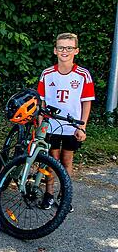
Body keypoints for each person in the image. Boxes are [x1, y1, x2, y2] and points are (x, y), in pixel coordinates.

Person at [37, 33, 93, 211]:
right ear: (55, 50)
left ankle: (65, 195)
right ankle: (49, 194)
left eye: (69, 48)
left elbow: (86, 102)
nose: (64, 51)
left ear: (76, 51)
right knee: (51, 160)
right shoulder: (47, 73)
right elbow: (41, 101)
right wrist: (41, 123)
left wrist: (82, 126)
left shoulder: (83, 74)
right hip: (51, 125)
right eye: (61, 47)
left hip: (72, 126)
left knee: (67, 161)